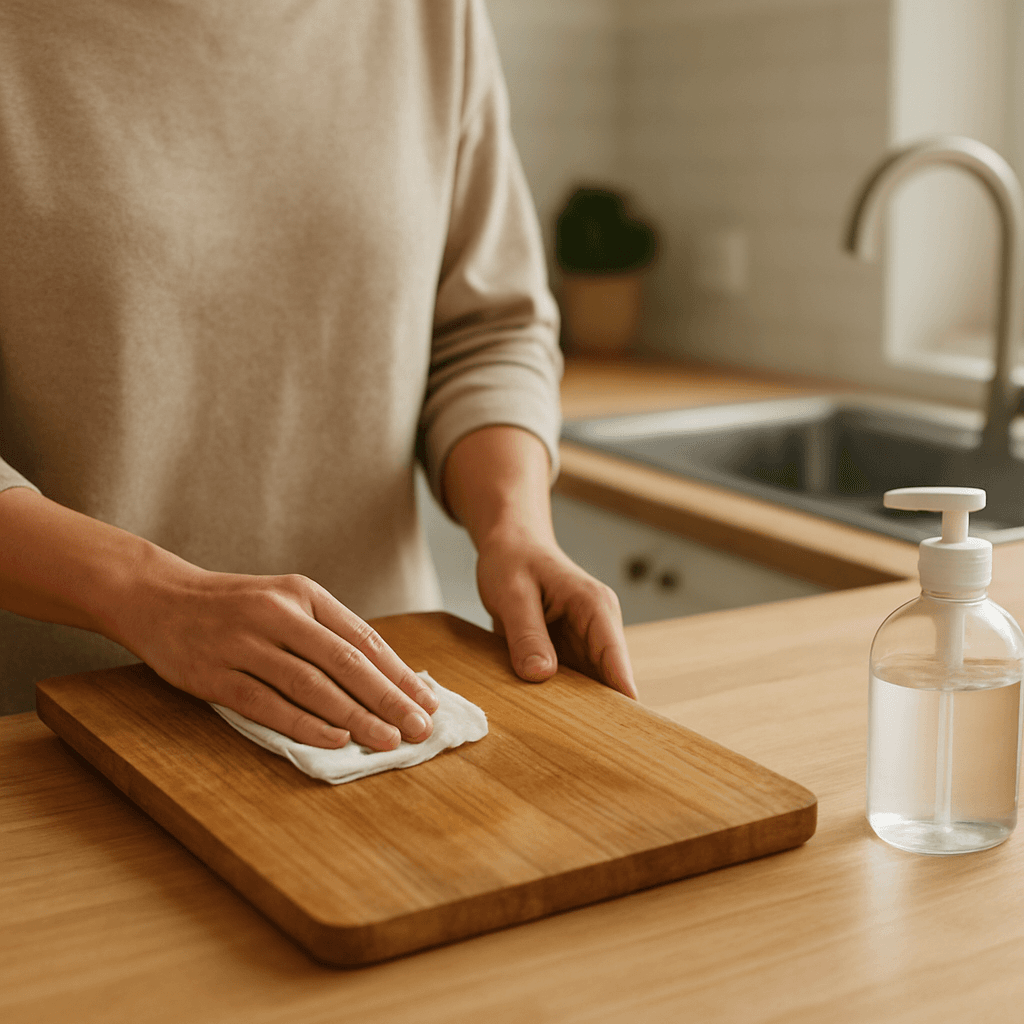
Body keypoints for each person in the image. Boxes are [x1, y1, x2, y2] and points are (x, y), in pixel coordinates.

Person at [0, 0, 636, 750]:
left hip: (384, 709)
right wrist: (144, 594)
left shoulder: (429, 15)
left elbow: (486, 329)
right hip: (43, 738)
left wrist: (513, 526)